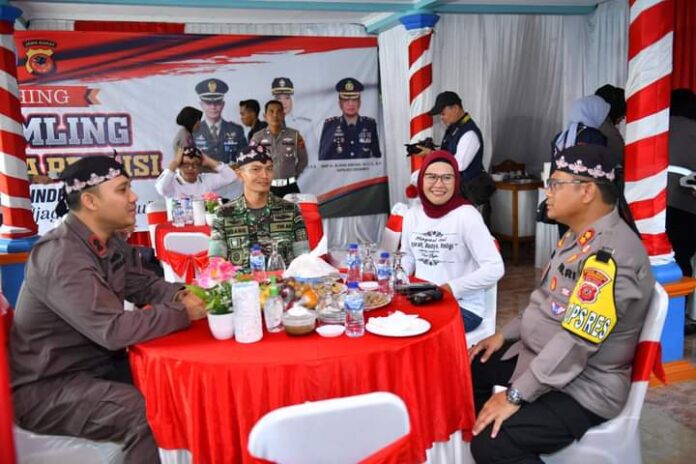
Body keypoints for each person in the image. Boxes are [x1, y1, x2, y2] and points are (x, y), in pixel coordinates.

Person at [9, 156, 207, 464]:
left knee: (178, 386)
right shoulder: (61, 256)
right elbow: (113, 331)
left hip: (98, 369)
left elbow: (142, 284)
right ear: (90, 201)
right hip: (50, 387)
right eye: (122, 189)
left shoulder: (107, 241)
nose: (134, 197)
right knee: (150, 413)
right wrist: (181, 313)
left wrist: (181, 295)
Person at [469, 144, 655, 463]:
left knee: (493, 446)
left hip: (584, 385)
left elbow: (577, 342)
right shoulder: (576, 236)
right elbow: (546, 302)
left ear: (587, 191)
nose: (548, 192)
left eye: (555, 183)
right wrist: (504, 335)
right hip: (544, 357)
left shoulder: (610, 257)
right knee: (472, 367)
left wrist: (516, 395)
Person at [400, 151, 504, 332]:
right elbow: (408, 256)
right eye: (432, 177)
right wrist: (397, 276)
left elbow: (495, 268)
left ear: (456, 181)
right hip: (422, 299)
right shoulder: (412, 215)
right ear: (422, 180)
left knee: (415, 331)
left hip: (463, 307)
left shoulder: (467, 215)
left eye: (447, 178)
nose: (439, 184)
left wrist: (449, 288)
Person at [208, 144, 309, 272]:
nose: (265, 175)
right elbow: (216, 260)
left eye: (269, 169)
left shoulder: (290, 210)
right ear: (240, 174)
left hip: (282, 283)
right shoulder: (224, 213)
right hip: (240, 283)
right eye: (256, 169)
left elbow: (304, 258)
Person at [666, 89, 696, 280]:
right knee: (682, 258)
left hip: (654, 202)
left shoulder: (657, 127)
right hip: (687, 204)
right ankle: (680, 297)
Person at [251, 100, 308, 198]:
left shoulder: (295, 135)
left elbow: (303, 159)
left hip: (290, 187)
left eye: (278, 111)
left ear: (283, 115)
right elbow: (251, 161)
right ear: (265, 116)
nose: (275, 115)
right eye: (271, 111)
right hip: (267, 187)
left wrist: (294, 175)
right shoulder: (257, 137)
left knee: (293, 208)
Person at [318, 77, 381, 160]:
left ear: (359, 103)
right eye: (346, 100)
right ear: (340, 104)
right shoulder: (330, 125)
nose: (350, 104)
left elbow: (377, 157)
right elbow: (323, 158)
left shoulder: (369, 124)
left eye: (354, 100)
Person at [192, 78, 247, 164]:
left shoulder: (236, 130)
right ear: (202, 105)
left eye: (217, 102)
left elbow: (244, 159)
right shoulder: (194, 131)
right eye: (208, 103)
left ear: (223, 104)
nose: (213, 107)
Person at [154, 145, 238, 199]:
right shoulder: (172, 183)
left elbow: (232, 176)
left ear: (201, 167)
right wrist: (175, 162)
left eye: (195, 164)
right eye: (186, 164)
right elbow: (161, 188)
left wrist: (208, 161)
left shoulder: (206, 180)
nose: (190, 168)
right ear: (179, 166)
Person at [594, 84, 626, 169]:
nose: (624, 117)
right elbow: (623, 158)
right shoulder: (607, 129)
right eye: (623, 111)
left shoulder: (587, 124)